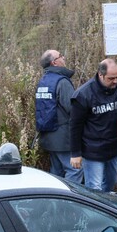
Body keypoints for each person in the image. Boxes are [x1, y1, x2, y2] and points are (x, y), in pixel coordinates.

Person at [70, 58, 117, 191]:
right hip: (93, 149)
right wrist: (75, 153)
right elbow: (74, 126)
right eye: (111, 78)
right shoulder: (83, 95)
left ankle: (104, 208)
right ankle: (93, 209)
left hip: (114, 145)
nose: (115, 81)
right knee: (94, 187)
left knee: (112, 181)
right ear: (101, 74)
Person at [35, 50, 83, 183]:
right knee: (74, 170)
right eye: (61, 56)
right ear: (54, 62)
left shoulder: (43, 81)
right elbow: (73, 109)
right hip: (63, 139)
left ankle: (54, 201)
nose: (64, 58)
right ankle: (70, 201)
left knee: (56, 172)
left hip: (48, 137)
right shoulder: (62, 82)